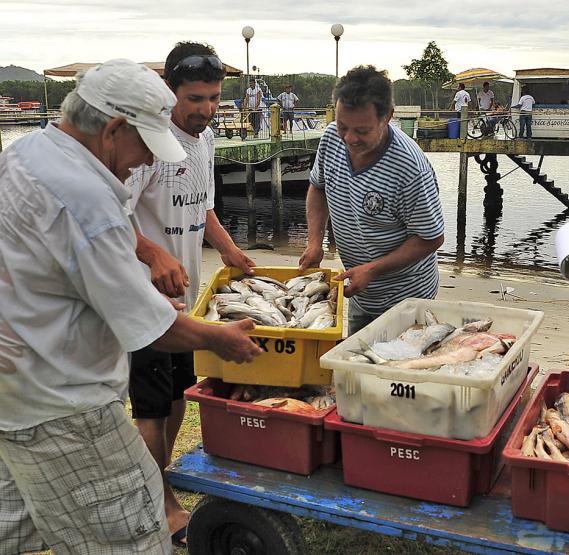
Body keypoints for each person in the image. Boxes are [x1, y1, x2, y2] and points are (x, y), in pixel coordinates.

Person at [0, 59, 261, 555]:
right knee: (133, 528)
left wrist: (128, 294)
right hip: (62, 404)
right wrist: (216, 337)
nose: (144, 162)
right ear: (114, 128)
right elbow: (152, 329)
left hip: (13, 391)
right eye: (144, 146)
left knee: (16, 526)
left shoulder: (27, 153)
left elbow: (49, 271)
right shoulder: (85, 197)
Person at [126, 41, 256, 548]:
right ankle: (159, 500)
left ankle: (163, 475)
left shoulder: (203, 142)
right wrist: (154, 255)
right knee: (150, 408)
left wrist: (229, 250)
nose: (205, 109)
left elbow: (201, 208)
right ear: (171, 91)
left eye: (214, 98)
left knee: (180, 393)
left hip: (190, 299)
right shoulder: (150, 146)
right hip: (146, 302)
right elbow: (115, 219)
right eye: (195, 98)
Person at [298, 65, 445, 335]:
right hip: (360, 293)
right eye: (344, 126)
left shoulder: (409, 168)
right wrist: (314, 242)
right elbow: (317, 188)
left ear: (387, 116)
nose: (350, 138)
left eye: (362, 131)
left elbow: (431, 237)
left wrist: (373, 270)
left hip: (407, 300)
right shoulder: (332, 138)